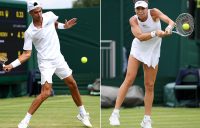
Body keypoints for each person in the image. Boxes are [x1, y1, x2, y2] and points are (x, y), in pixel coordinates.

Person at [3, 0, 92, 128]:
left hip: (58, 58)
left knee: (72, 84)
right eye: (35, 12)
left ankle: (83, 114)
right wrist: (12, 65)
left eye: (40, 11)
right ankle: (25, 121)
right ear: (30, 13)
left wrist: (64, 26)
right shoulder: (29, 32)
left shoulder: (49, 15)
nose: (39, 14)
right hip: (45, 62)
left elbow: (54, 24)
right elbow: (27, 54)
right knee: (46, 93)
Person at [109, 0, 175, 128]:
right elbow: (139, 36)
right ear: (135, 9)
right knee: (129, 79)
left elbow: (171, 21)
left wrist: (169, 28)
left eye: (142, 8)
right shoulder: (133, 20)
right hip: (138, 49)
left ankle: (146, 120)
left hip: (153, 50)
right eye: (138, 9)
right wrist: (156, 33)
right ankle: (115, 113)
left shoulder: (155, 12)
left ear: (147, 8)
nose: (140, 11)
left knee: (149, 85)